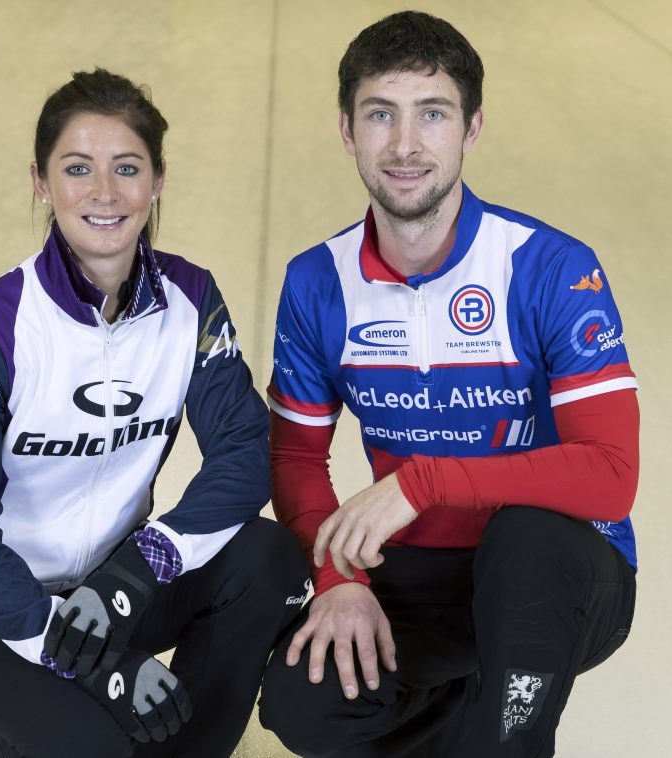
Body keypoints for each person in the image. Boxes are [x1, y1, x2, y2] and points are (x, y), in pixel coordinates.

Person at [258, 11, 638, 757]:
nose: (404, 145)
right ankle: (472, 718)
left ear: (471, 129)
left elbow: (610, 476)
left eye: (432, 114)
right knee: (303, 705)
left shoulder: (550, 267)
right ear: (347, 131)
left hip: (556, 567)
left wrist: (422, 483)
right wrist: (339, 579)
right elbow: (296, 461)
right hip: (416, 571)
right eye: (380, 115)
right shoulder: (316, 282)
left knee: (526, 536)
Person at [0, 68, 307, 758]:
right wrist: (99, 668)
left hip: (106, 586)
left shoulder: (191, 300)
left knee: (267, 560)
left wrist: (140, 568)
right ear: (41, 180)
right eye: (77, 168)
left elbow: (243, 452)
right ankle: (2, 721)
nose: (104, 193)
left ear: (157, 178)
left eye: (126, 168)